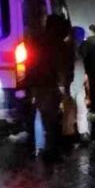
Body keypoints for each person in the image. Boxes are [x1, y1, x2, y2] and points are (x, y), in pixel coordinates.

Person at [28, 15, 72, 155]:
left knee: (39, 115)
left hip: (37, 85)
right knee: (52, 118)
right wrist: (64, 87)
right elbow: (64, 68)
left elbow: (30, 65)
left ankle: (39, 146)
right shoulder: (60, 45)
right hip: (51, 86)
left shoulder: (35, 41)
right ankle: (51, 150)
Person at [67, 26, 91, 142]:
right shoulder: (68, 49)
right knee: (75, 110)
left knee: (81, 109)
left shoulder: (80, 49)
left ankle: (82, 132)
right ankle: (77, 134)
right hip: (71, 85)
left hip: (78, 85)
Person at [79, 24, 95, 113]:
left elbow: (83, 55)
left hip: (91, 68)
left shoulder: (87, 42)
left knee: (92, 89)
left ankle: (94, 107)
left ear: (92, 32)